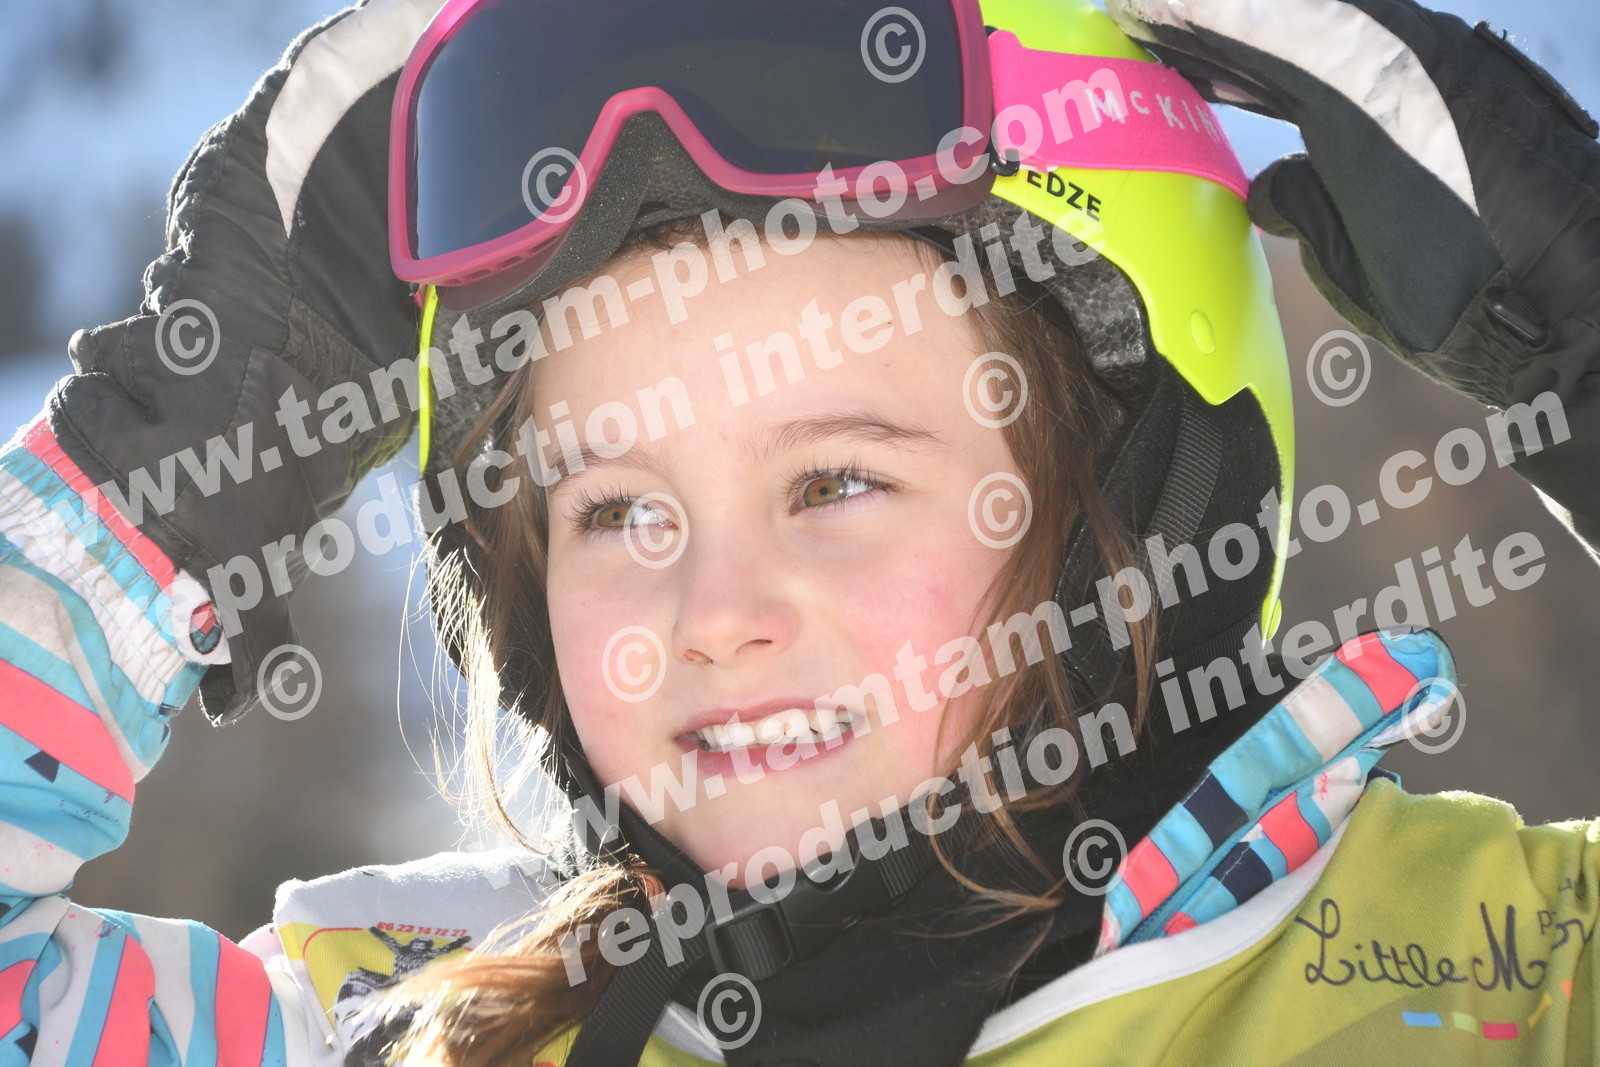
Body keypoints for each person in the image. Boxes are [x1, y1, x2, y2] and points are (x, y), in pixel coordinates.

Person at [1, 0, 1596, 1064]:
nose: (713, 613)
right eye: (618, 509)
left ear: (1139, 508)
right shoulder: (424, 1025)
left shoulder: (1505, 978)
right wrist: (159, 474)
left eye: (836, 484)